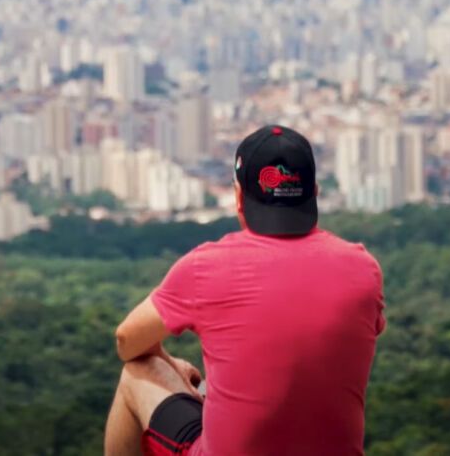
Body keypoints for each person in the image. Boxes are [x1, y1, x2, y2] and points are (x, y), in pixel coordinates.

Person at [105, 125, 386, 456]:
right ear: (315, 192)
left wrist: (167, 363)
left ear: (239, 196)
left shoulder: (205, 266)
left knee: (138, 370)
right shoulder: (364, 269)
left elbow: (127, 341)